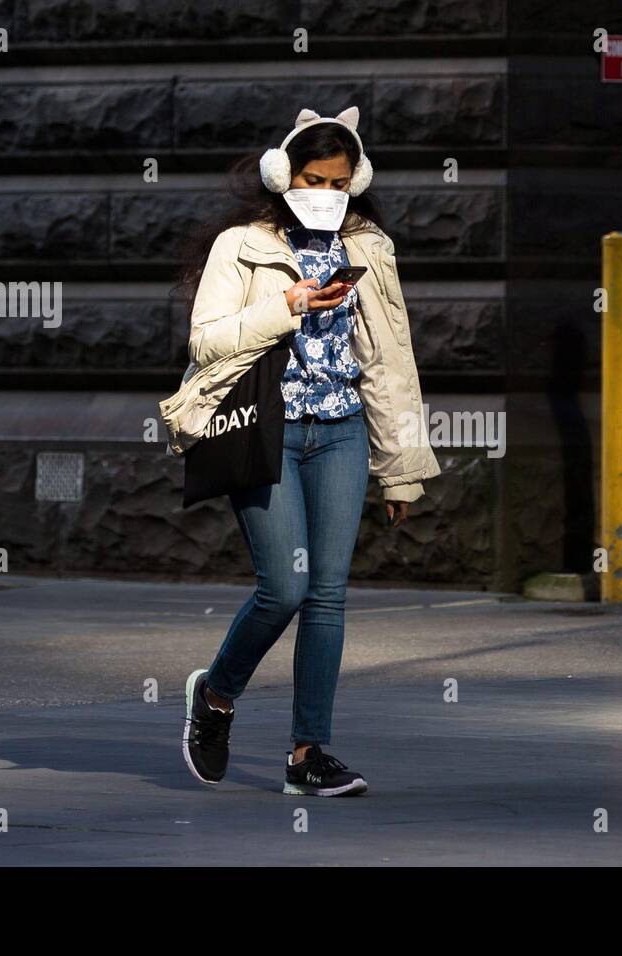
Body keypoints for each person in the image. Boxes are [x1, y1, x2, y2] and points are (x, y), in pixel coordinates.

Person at [167, 106, 439, 796]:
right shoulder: (242, 244)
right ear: (283, 176)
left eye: (340, 181)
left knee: (327, 597)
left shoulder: (370, 248)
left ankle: (307, 754)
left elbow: (390, 364)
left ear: (357, 182)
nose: (326, 191)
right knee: (283, 588)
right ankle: (218, 696)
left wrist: (400, 468)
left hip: (342, 431)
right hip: (269, 429)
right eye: (314, 178)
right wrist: (285, 306)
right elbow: (207, 340)